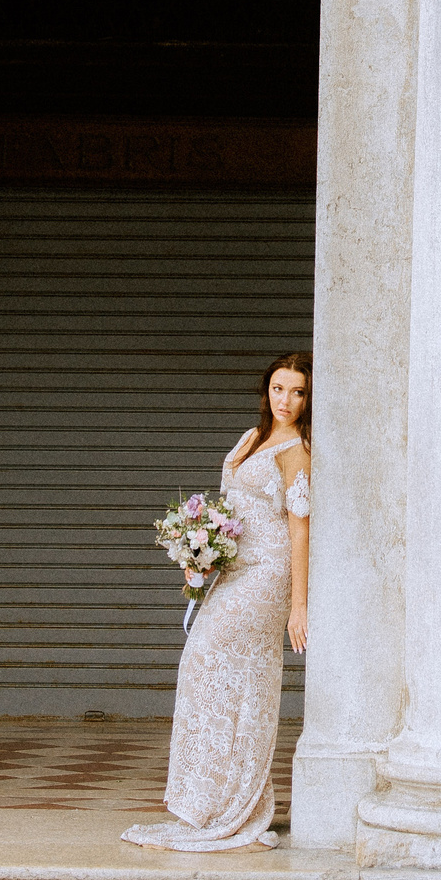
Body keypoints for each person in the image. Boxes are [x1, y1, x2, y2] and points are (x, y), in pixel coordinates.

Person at [124, 351, 312, 851]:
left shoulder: (297, 450)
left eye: (297, 392)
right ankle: (208, 801)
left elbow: (301, 530)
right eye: (278, 388)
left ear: (308, 398)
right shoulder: (252, 440)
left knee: (229, 672)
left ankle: (238, 806)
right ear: (265, 390)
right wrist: (204, 552)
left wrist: (300, 603)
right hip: (233, 569)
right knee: (205, 672)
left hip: (268, 575)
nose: (286, 400)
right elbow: (229, 510)